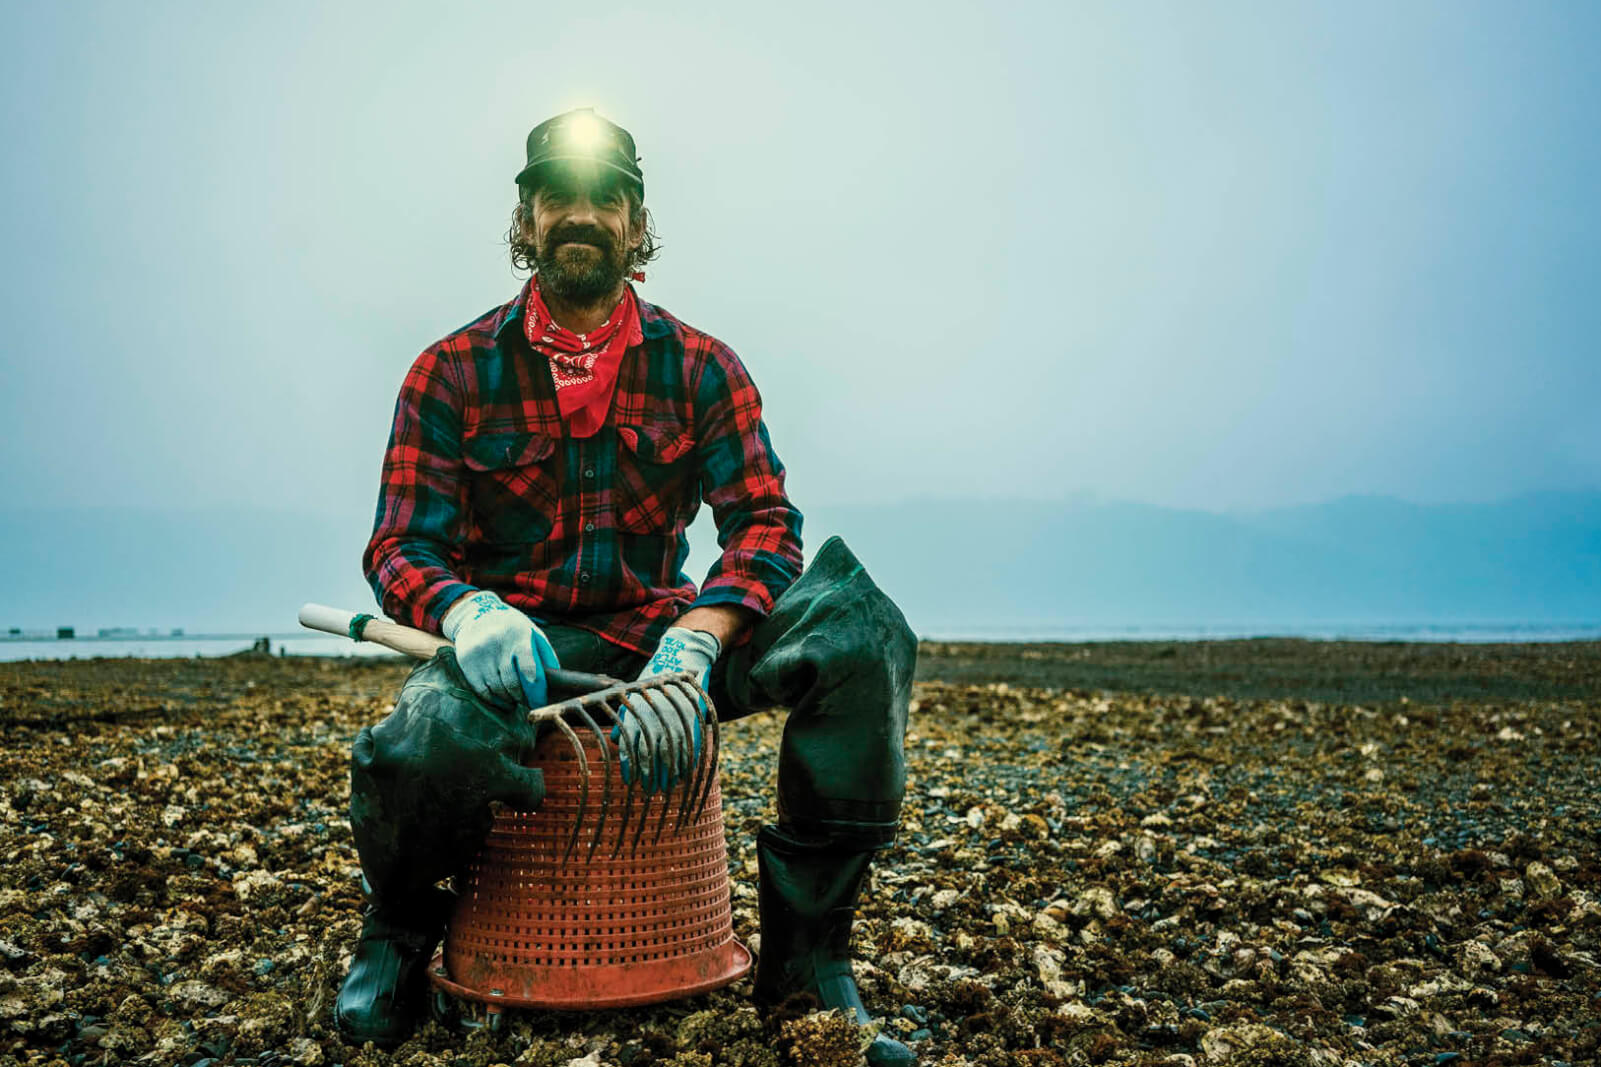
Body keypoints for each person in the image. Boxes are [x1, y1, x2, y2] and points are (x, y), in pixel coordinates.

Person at [338, 107, 917, 1065]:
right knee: (418, 741)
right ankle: (398, 935)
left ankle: (808, 968)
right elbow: (401, 545)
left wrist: (697, 641)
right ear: (524, 221)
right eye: (555, 196)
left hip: (666, 642)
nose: (579, 215)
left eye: (603, 199)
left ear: (633, 222)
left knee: (860, 628)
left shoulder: (700, 366)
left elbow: (764, 527)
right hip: (517, 655)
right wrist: (469, 611)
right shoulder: (449, 372)